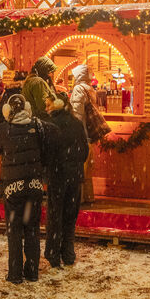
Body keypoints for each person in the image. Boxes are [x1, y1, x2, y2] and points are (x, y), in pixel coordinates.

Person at [0, 93, 59, 283]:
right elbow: (52, 137)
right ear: (27, 109)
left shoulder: (3, 130)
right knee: (32, 229)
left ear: (7, 111)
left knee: (14, 231)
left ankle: (15, 273)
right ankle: (32, 272)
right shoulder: (37, 127)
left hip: (13, 187)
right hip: (35, 186)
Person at [44, 93, 89, 268]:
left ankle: (53, 252)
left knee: (55, 215)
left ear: (56, 105)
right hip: (75, 176)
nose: (46, 108)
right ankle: (68, 252)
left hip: (57, 176)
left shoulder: (50, 125)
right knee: (70, 215)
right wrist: (75, 165)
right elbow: (84, 151)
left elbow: (47, 152)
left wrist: (49, 169)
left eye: (48, 105)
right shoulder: (76, 123)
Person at [70, 63, 96, 203]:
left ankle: (78, 198)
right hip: (89, 134)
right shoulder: (90, 89)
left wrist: (74, 132)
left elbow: (77, 114)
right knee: (87, 169)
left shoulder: (78, 90)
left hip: (81, 133)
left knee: (79, 167)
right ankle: (88, 196)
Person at [22, 55, 57, 120]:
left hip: (31, 118)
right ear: (44, 70)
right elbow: (43, 106)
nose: (51, 75)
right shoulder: (38, 82)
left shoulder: (30, 80)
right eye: (50, 72)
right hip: (40, 120)